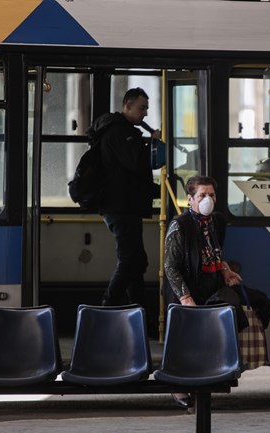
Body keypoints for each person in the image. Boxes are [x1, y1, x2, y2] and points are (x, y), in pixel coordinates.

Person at [163, 175, 242, 410]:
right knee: (183, 340)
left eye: (211, 195)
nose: (208, 199)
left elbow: (215, 253)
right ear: (190, 199)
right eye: (202, 195)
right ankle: (178, 389)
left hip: (209, 287)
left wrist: (225, 270)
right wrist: (185, 298)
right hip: (185, 291)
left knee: (205, 341)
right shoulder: (180, 225)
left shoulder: (216, 222)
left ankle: (202, 388)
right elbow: (170, 267)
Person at [92, 87, 161, 307]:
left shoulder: (125, 131)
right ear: (128, 106)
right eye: (142, 108)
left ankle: (137, 310)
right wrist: (153, 144)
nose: (145, 113)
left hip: (126, 205)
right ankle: (107, 307)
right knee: (130, 260)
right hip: (120, 206)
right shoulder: (120, 132)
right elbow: (137, 165)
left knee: (137, 261)